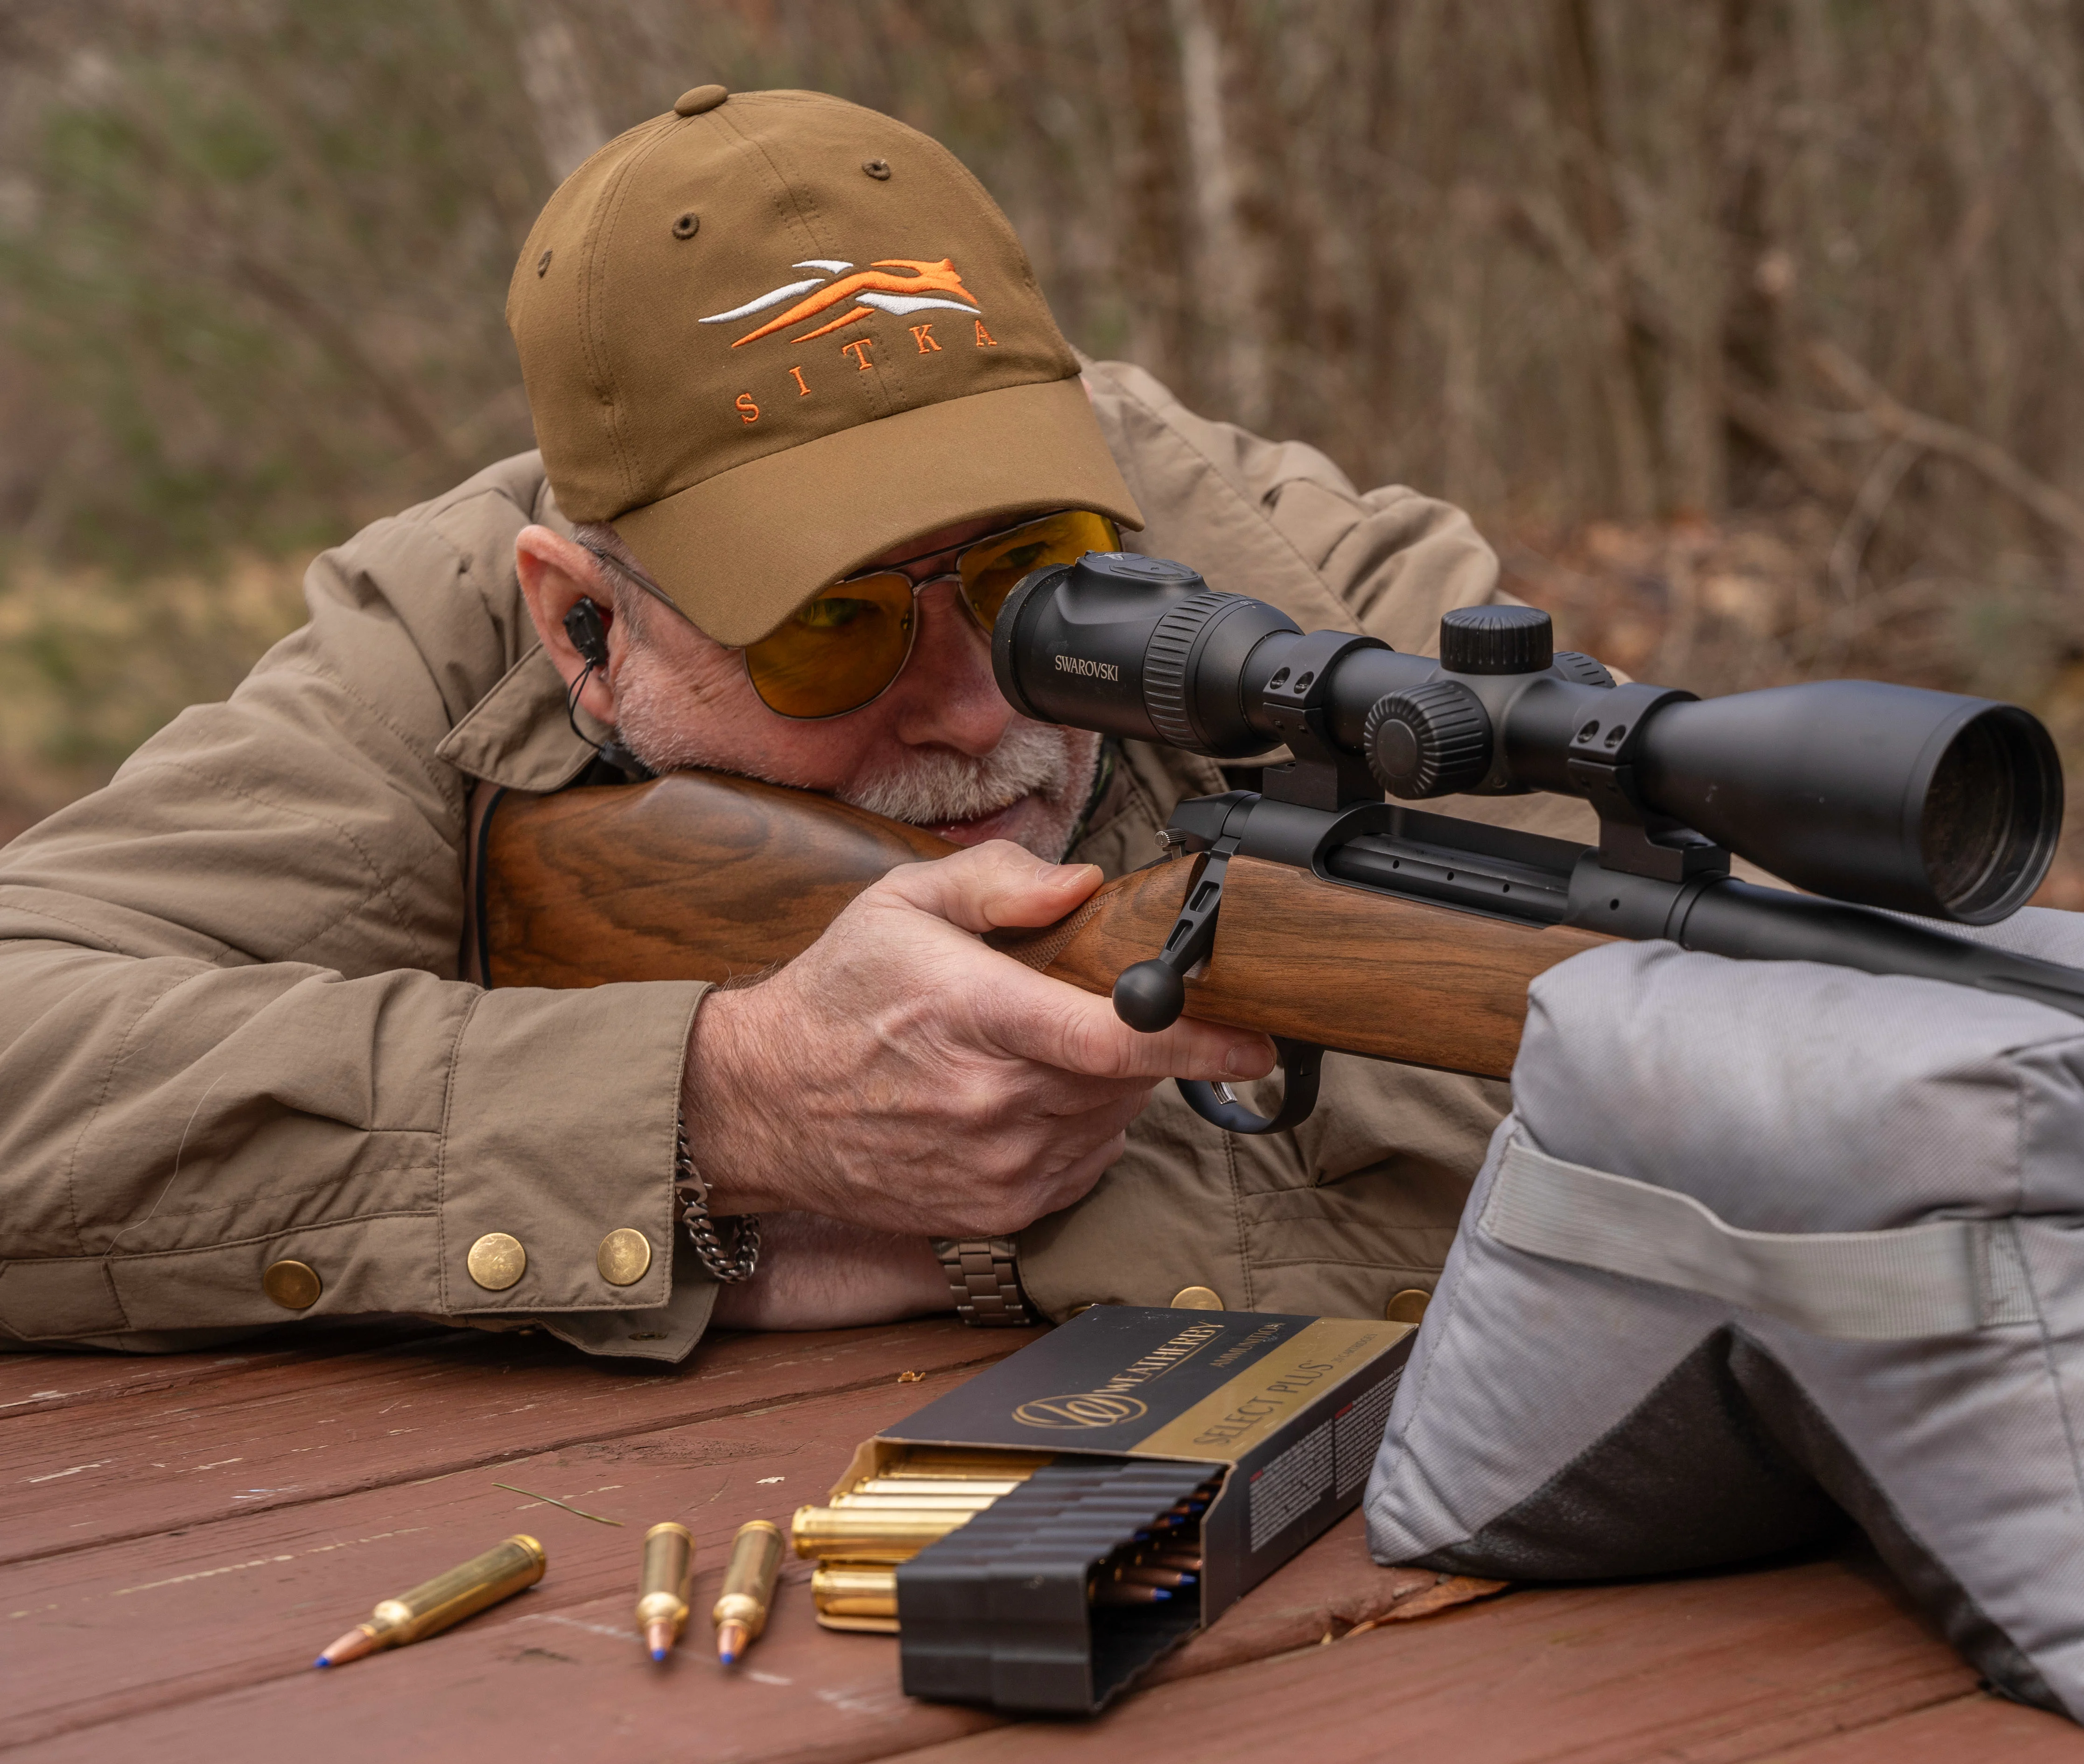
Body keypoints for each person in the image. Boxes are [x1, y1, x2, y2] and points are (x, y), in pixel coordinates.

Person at [0, 85, 1580, 1360]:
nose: (972, 709)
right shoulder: (442, 646)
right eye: (831, 627)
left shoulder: (1325, 593)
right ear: (583, 627)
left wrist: (977, 1222)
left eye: (1037, 581)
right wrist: (719, 1103)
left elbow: (1644, 1149)